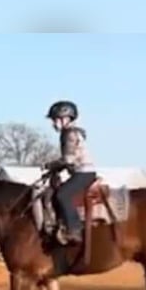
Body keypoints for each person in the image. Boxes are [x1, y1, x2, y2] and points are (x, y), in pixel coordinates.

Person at [43, 100, 97, 244]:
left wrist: (51, 165)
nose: (53, 124)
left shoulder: (69, 134)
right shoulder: (69, 133)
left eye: (55, 120)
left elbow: (68, 159)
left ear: (65, 118)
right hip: (81, 172)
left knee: (63, 194)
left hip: (84, 172)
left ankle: (74, 229)